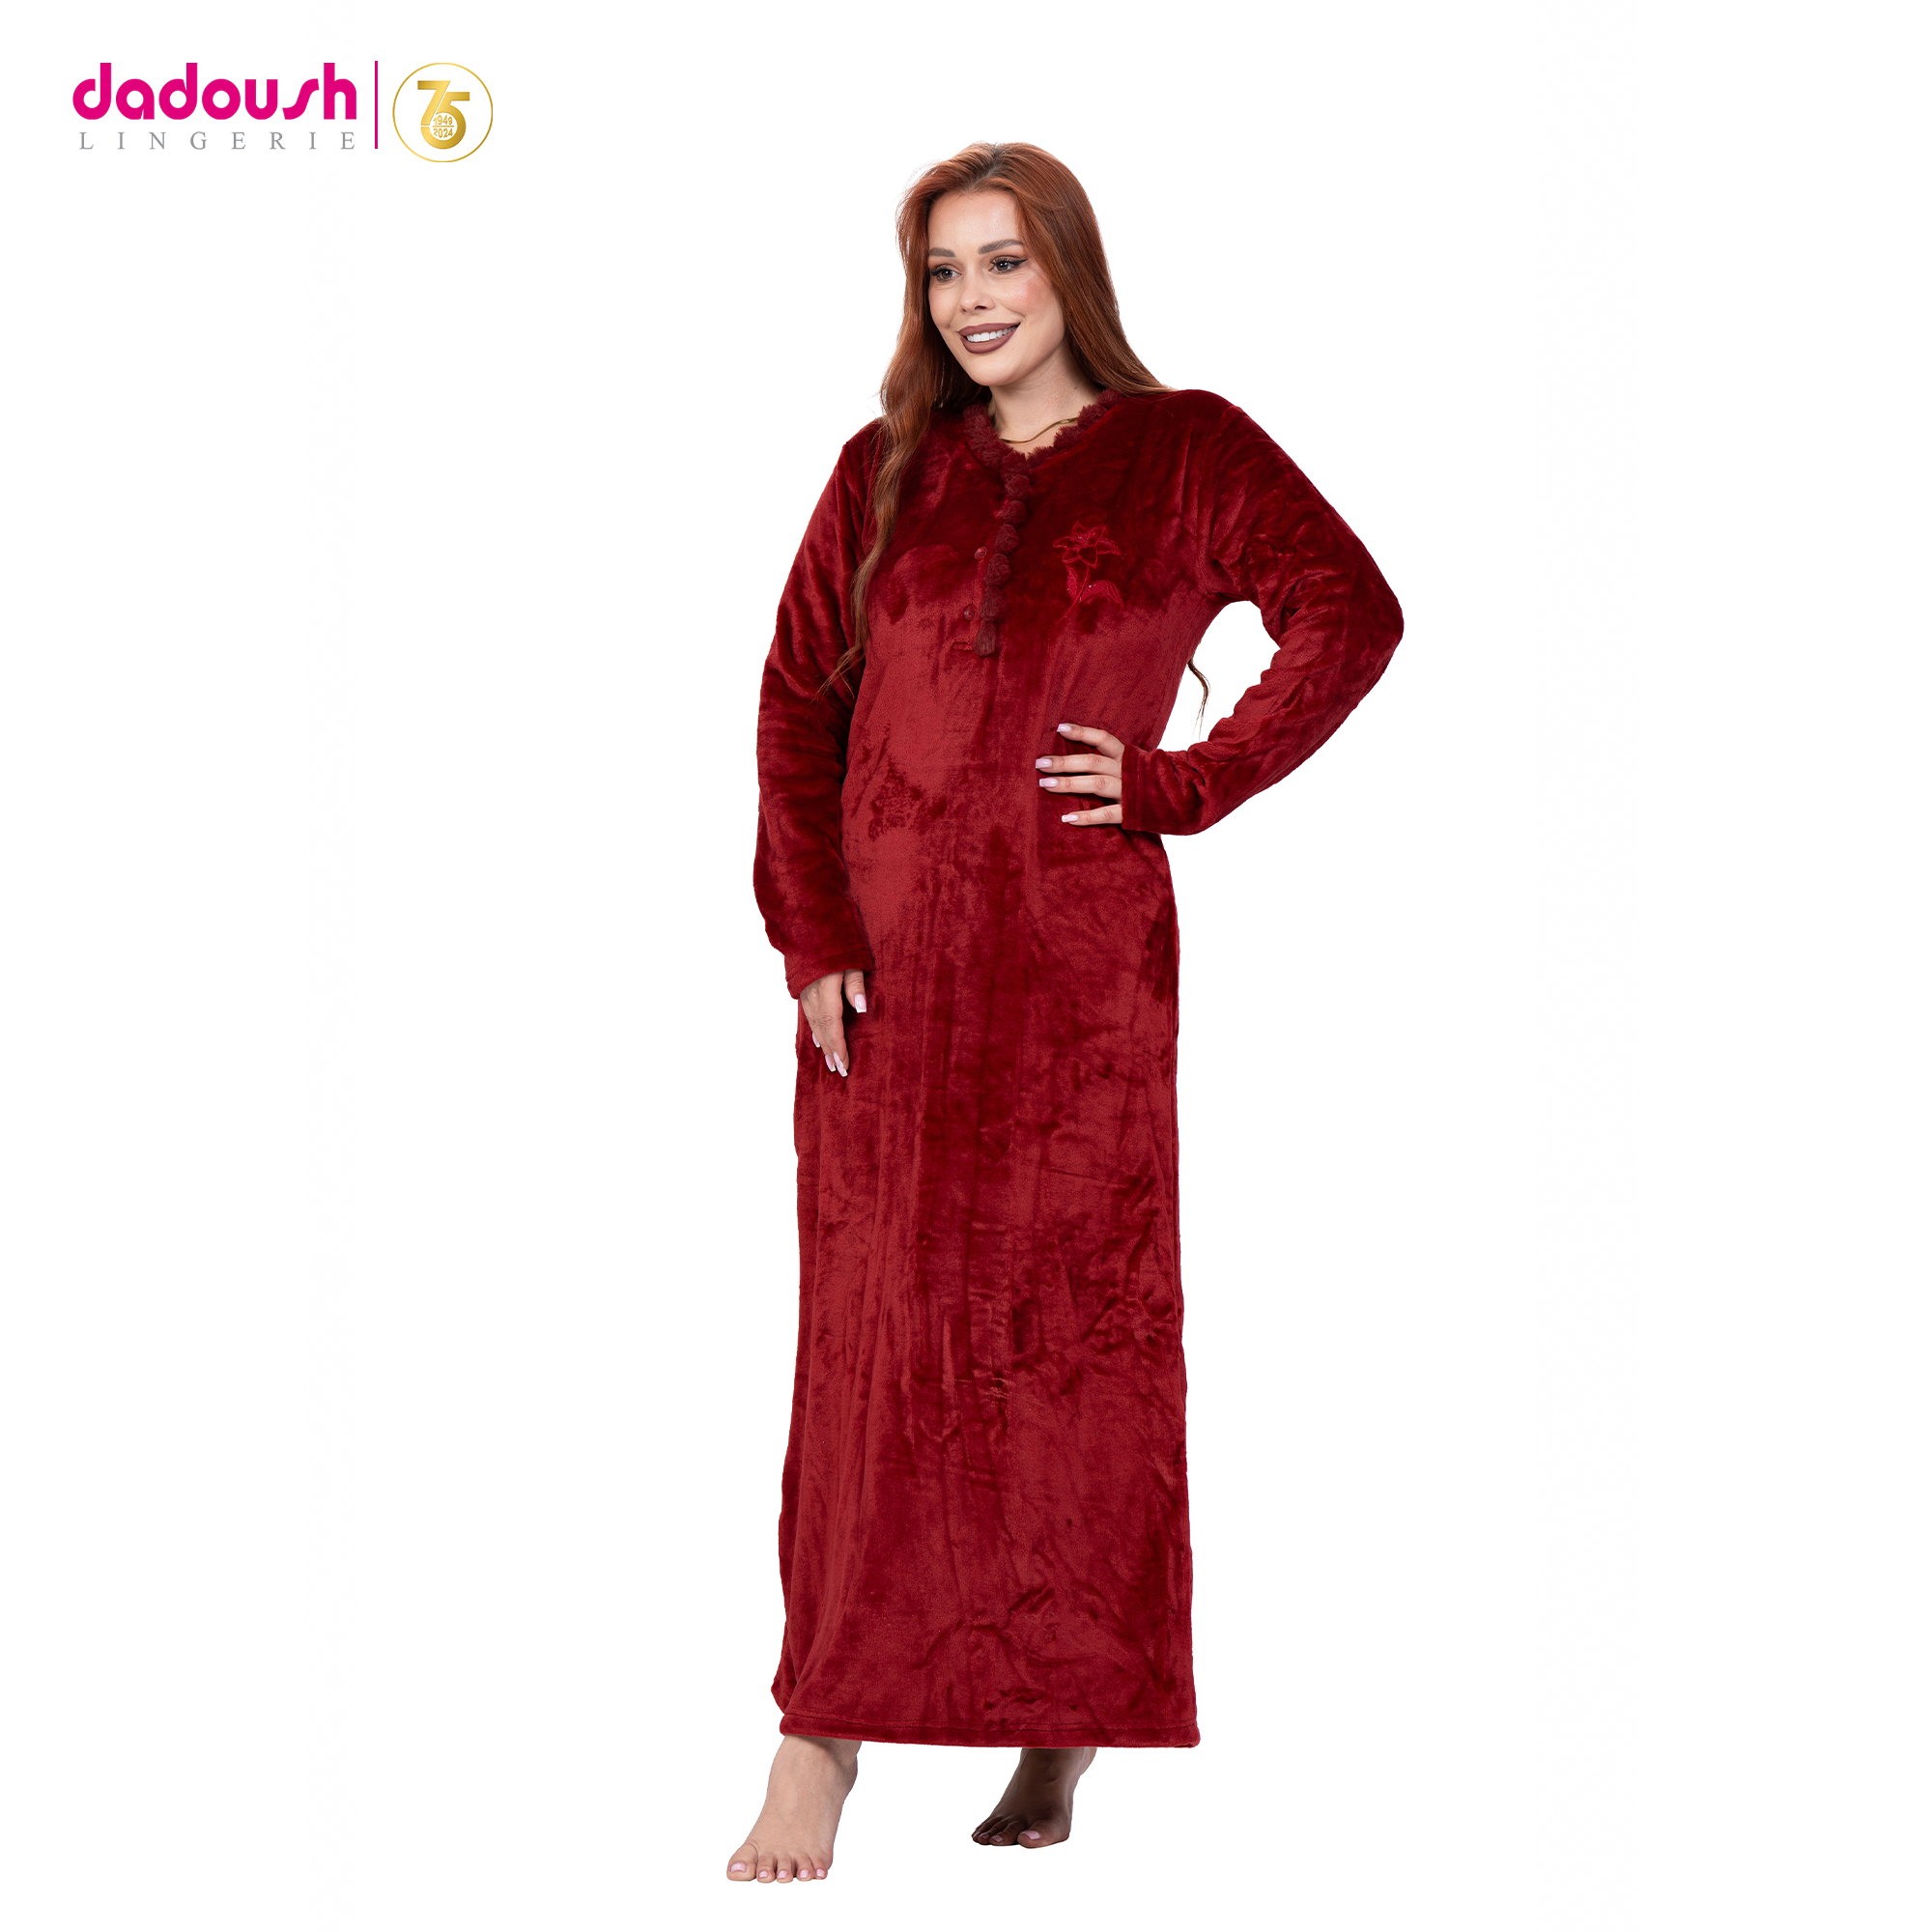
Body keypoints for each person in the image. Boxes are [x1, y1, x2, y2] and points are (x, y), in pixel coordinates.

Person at [734, 140, 1404, 1884]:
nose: (972, 300)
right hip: (884, 985)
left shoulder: (1186, 451)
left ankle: (1064, 1713)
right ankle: (820, 1730)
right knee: (870, 1342)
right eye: (943, 270)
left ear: (1069, 272)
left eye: (1004, 262)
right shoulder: (882, 469)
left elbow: (1351, 612)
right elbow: (796, 705)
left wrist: (1186, 780)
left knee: (1074, 1341)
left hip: (1074, 976)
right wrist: (812, 930)